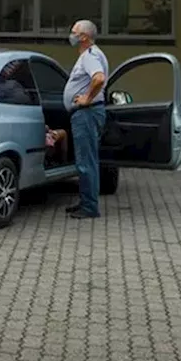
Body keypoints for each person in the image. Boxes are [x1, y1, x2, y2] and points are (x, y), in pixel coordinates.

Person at [63, 19, 108, 220]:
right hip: (87, 113)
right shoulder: (91, 55)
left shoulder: (90, 56)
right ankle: (85, 200)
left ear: (84, 37)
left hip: (86, 113)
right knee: (87, 159)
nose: (70, 35)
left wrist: (86, 98)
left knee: (85, 161)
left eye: (74, 32)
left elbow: (99, 78)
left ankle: (89, 207)